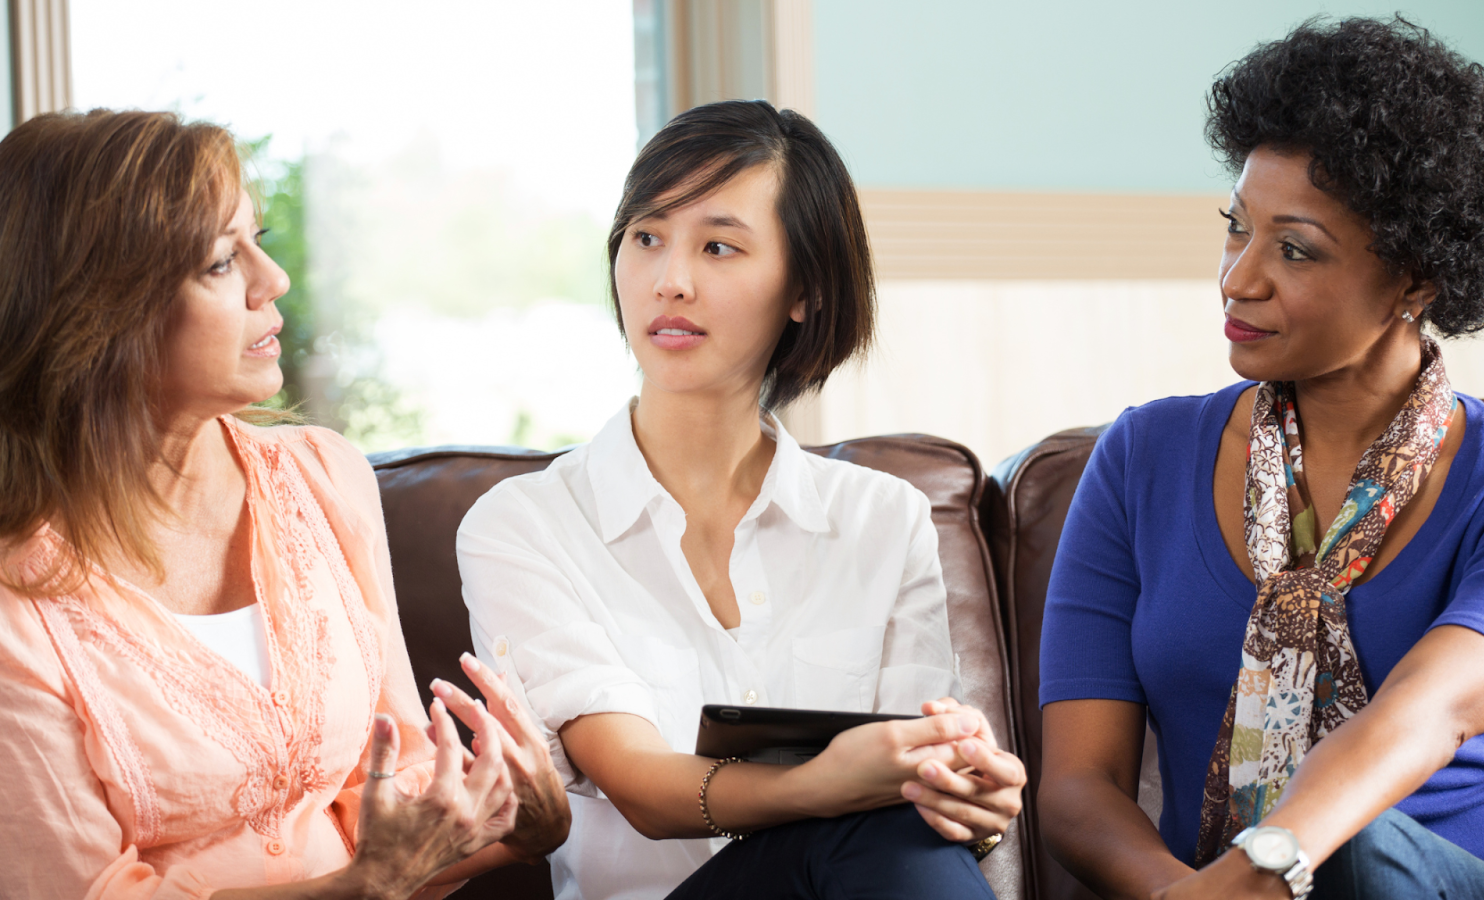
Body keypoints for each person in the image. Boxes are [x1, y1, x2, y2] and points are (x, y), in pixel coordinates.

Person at [1036, 17, 1484, 900]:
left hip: (1466, 884)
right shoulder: (1141, 458)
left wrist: (1272, 863)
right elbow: (1079, 789)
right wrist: (1186, 896)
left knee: (1357, 846)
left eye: (1293, 249)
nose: (1238, 279)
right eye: (1236, 228)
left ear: (1417, 278)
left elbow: (1428, 711)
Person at [457, 99, 1025, 900]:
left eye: (718, 246)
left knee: (893, 832)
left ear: (803, 290)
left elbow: (913, 795)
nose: (671, 280)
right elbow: (641, 788)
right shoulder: (525, 525)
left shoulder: (882, 519)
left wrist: (976, 803)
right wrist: (833, 784)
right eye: (646, 238)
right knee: (873, 826)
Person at [0, 109, 570, 900]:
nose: (274, 281)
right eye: (223, 262)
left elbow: (394, 807)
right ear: (97, 313)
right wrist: (358, 891)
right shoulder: (16, 603)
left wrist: (520, 828)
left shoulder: (321, 477)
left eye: (257, 243)